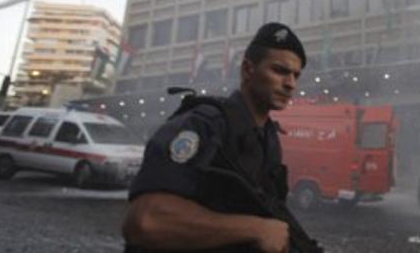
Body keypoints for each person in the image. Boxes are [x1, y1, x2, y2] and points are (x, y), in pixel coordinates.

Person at [122, 22, 319, 253]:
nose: (290, 84)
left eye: (296, 75)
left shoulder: (269, 139)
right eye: (279, 71)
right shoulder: (203, 125)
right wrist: (254, 229)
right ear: (248, 69)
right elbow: (145, 221)